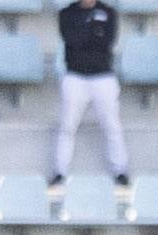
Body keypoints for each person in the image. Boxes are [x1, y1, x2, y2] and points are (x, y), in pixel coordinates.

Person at [54, 0, 128, 188]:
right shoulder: (66, 13)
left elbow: (107, 42)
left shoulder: (109, 12)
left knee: (112, 125)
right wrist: (93, 30)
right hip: (75, 76)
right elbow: (72, 40)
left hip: (103, 76)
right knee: (67, 125)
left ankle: (120, 170)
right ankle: (60, 171)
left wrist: (87, 34)